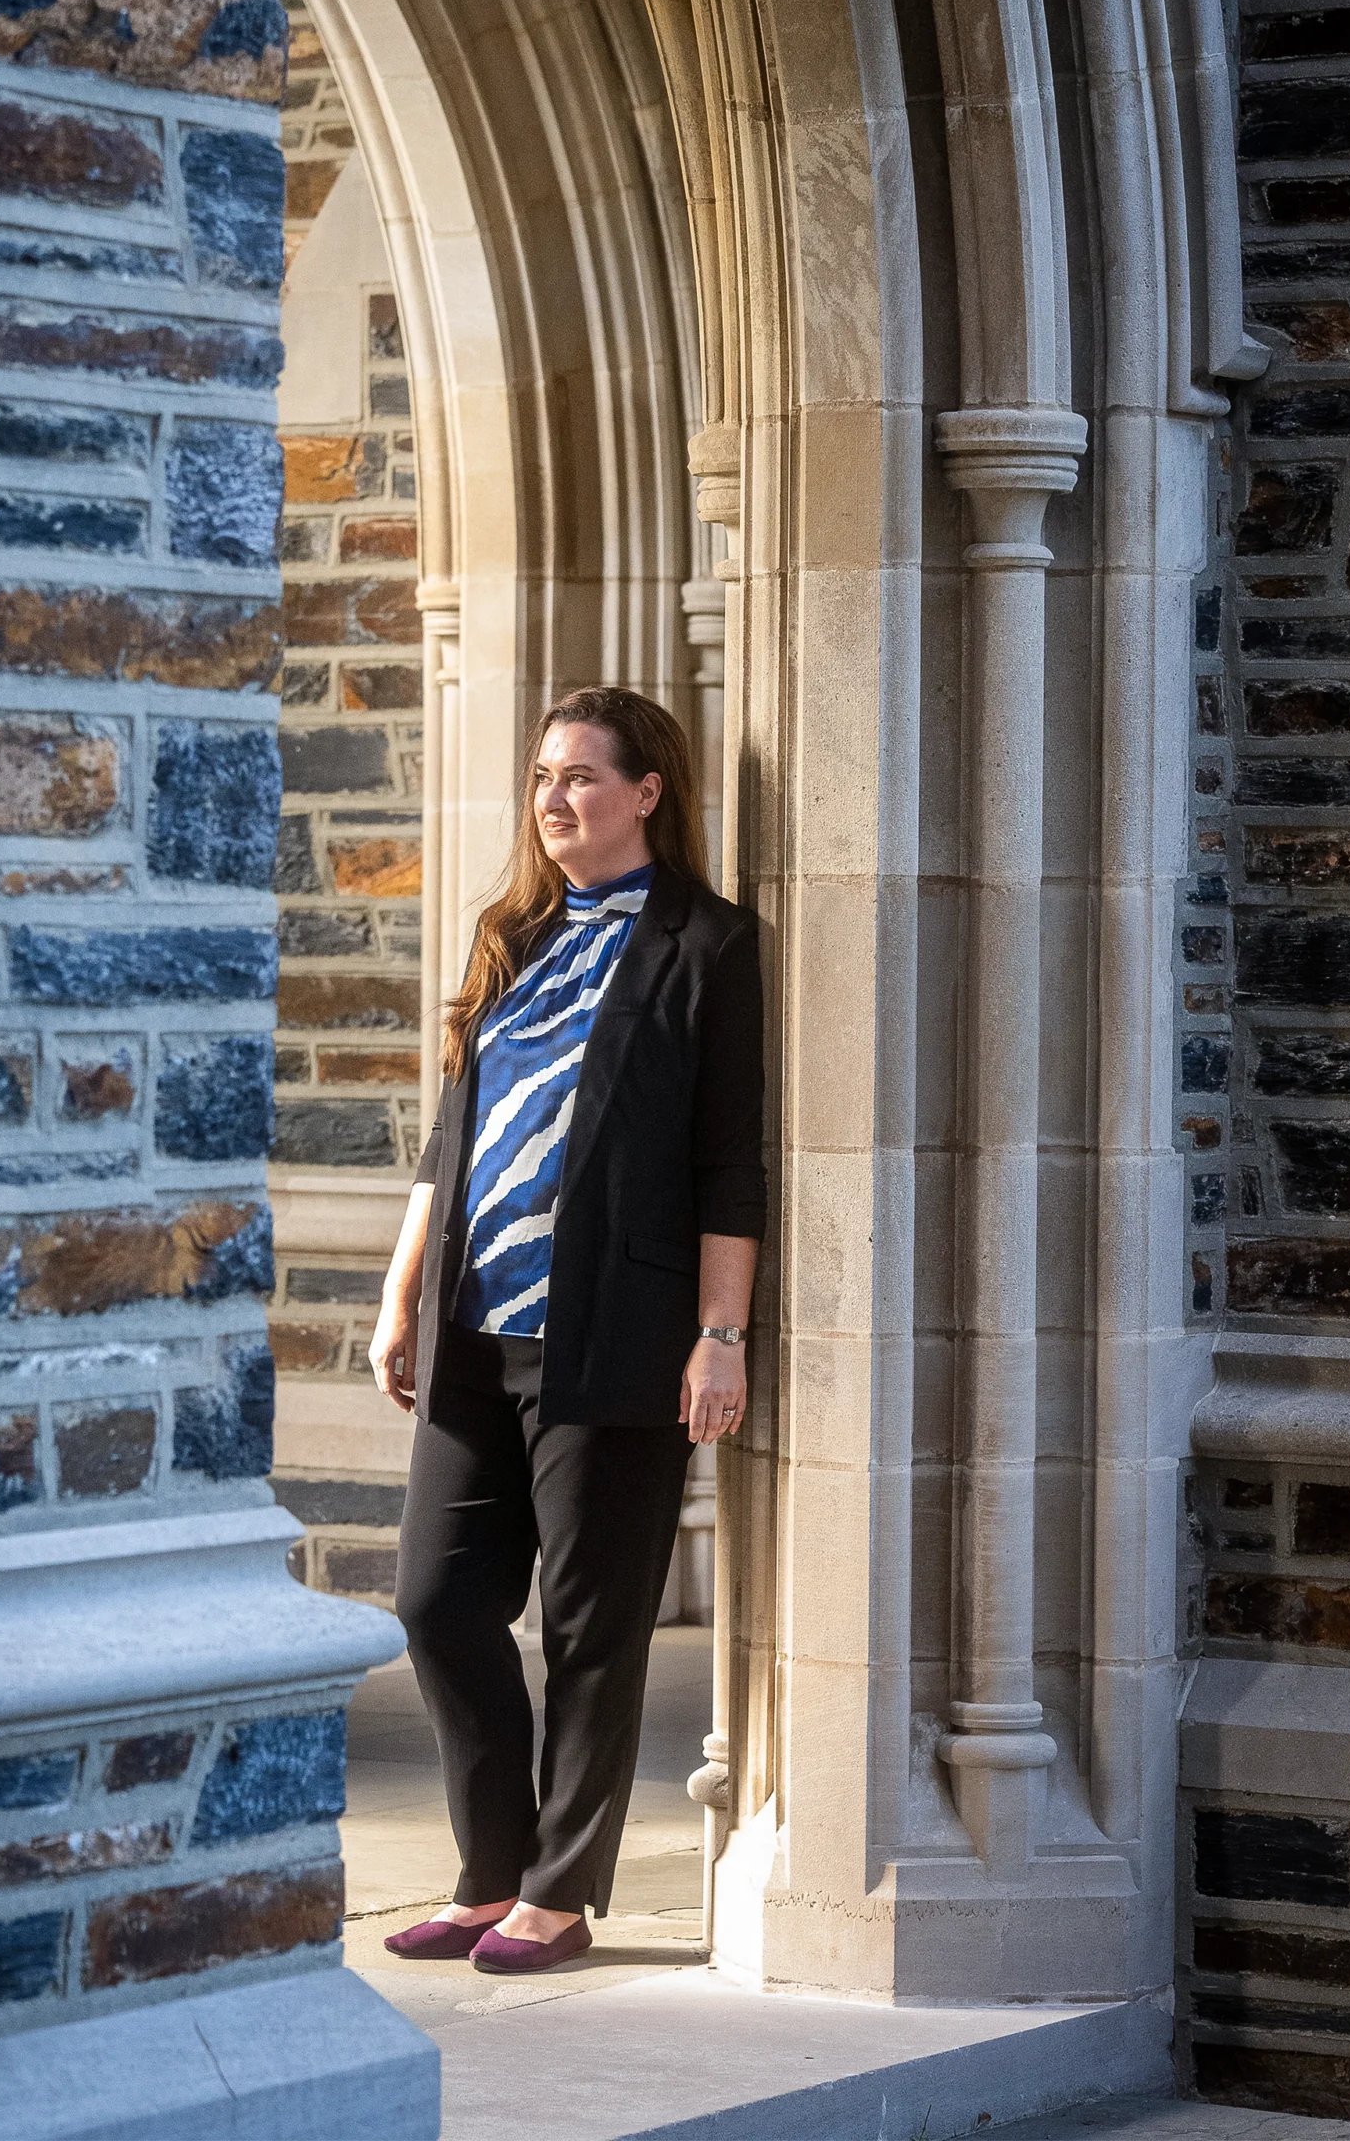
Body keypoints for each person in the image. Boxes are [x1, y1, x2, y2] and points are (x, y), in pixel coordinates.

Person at [368, 684, 765, 1977]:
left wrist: (721, 1333)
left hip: (617, 1327)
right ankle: (489, 1869)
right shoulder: (512, 936)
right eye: (543, 777)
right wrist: (400, 1292)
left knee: (591, 1626)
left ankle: (557, 1889)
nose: (553, 800)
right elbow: (452, 1136)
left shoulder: (705, 945)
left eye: (581, 777)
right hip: (476, 1325)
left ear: (647, 792)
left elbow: (726, 1162)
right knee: (435, 1601)